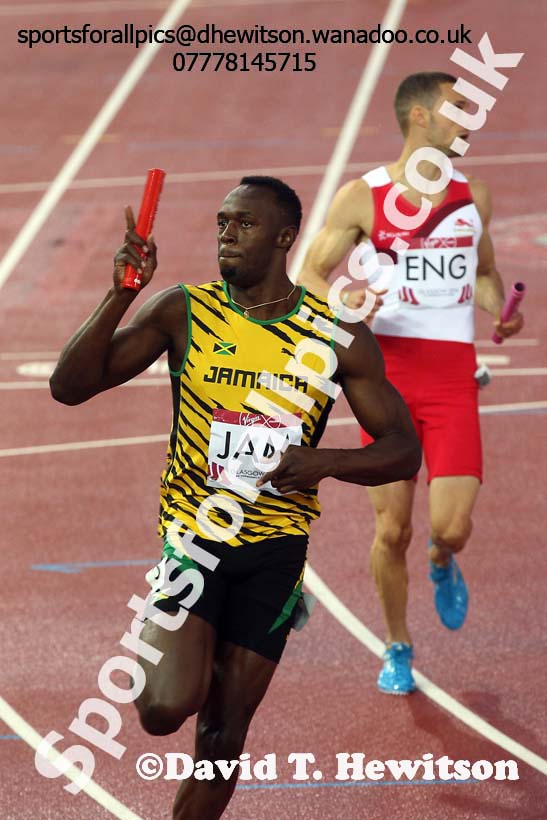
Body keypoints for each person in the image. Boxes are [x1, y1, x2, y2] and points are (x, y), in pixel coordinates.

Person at [50, 175, 421, 819]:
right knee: (164, 707)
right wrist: (119, 297)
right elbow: (70, 387)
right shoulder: (184, 311)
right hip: (195, 540)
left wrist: (323, 461)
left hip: (275, 551)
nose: (226, 233)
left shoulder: (334, 335)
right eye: (222, 221)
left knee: (223, 736)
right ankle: (175, 626)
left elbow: (402, 448)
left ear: (284, 237)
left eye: (244, 224)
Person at [298, 73, 524, 695]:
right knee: (390, 529)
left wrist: (498, 309)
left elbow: (485, 274)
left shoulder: (473, 195)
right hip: (386, 380)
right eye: (458, 107)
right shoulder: (364, 197)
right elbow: (311, 275)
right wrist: (347, 302)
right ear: (420, 118)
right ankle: (398, 644)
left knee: (448, 526)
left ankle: (442, 559)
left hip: (453, 380)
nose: (470, 118)